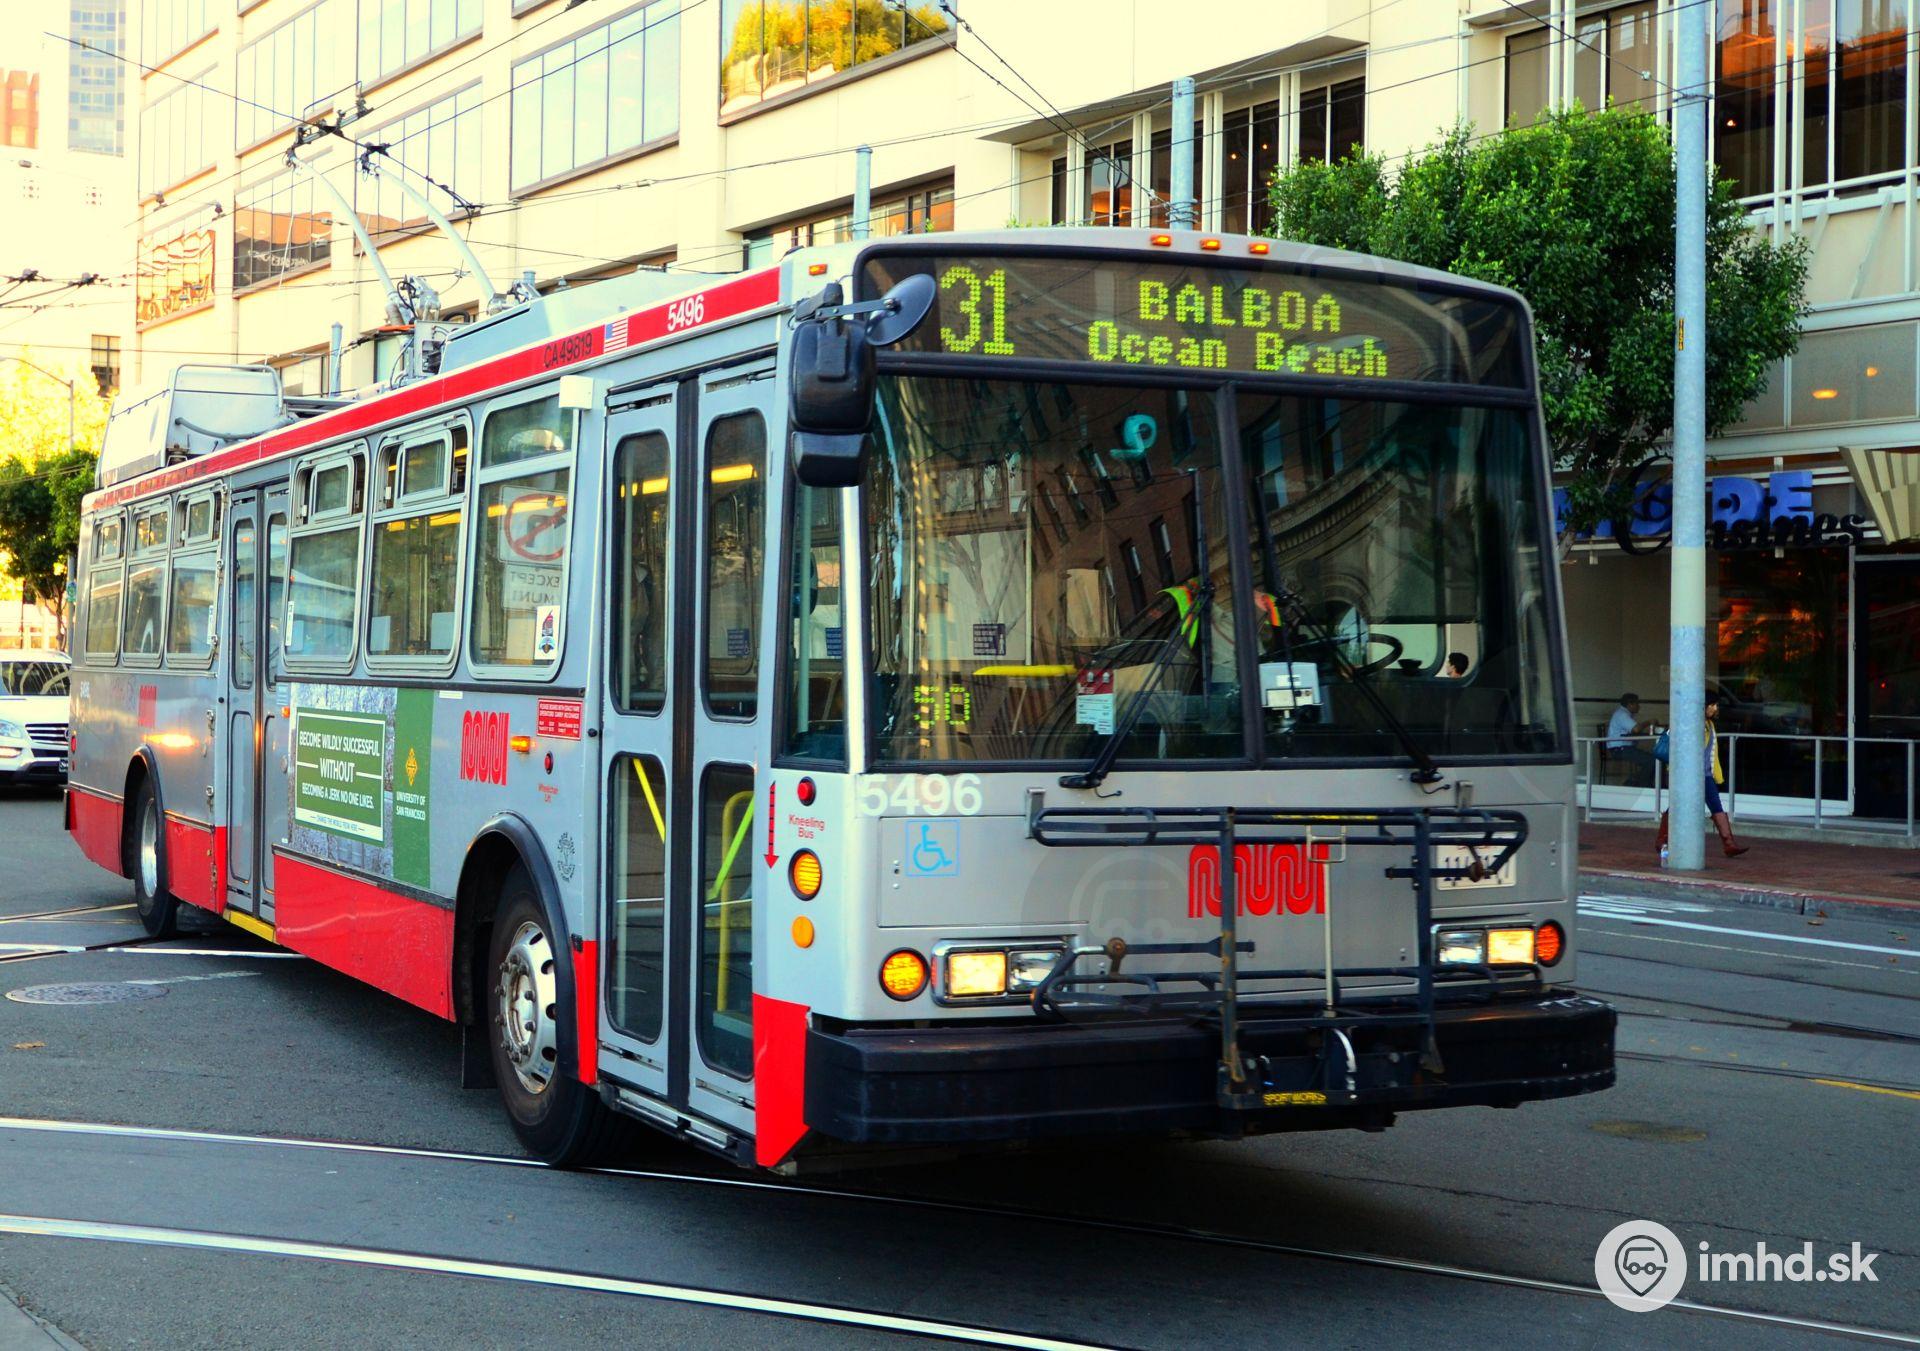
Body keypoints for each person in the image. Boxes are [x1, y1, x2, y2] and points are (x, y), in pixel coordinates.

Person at [1655, 692, 1749, 859]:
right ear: (1702, 706)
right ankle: (1662, 840)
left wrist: (1716, 775)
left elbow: (1711, 753)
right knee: (1678, 805)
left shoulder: (1709, 724)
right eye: (1712, 705)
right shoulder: (1690, 723)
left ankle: (1729, 844)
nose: (1715, 708)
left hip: (1704, 774)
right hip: (1688, 775)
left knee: (1715, 806)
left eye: (1716, 705)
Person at [1606, 692, 1655, 784]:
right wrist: (1649, 722)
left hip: (1623, 748)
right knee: (1652, 761)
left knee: (1653, 760)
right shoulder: (1622, 714)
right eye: (1637, 703)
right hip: (1620, 749)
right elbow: (1636, 729)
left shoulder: (1624, 714)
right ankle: (1638, 784)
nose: (1639, 706)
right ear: (1630, 704)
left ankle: (1634, 782)